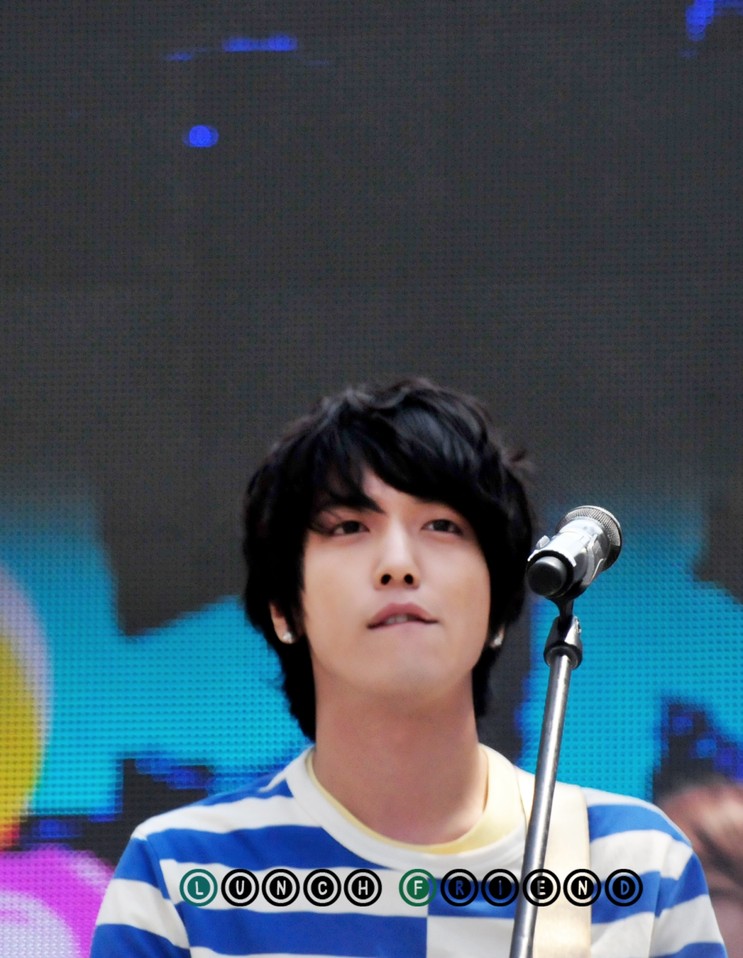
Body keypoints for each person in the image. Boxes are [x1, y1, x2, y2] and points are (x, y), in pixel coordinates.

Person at [91, 377, 726, 956]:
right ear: (284, 607)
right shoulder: (178, 875)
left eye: (442, 526)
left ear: (500, 609)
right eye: (348, 527)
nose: (398, 563)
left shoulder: (634, 864)